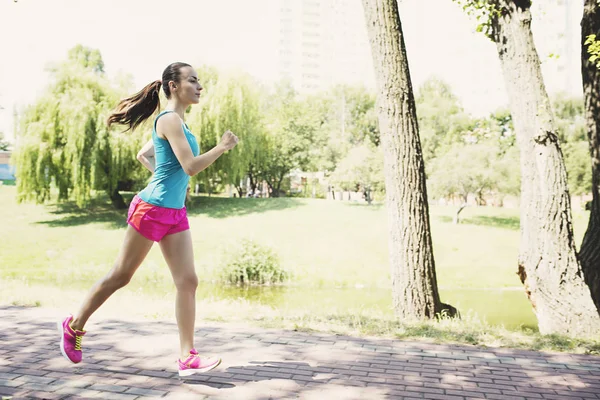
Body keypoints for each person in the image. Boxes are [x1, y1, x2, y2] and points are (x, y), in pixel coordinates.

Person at [57, 62, 239, 377]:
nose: (199, 86)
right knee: (121, 276)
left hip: (174, 213)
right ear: (173, 86)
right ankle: (74, 326)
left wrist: (166, 181)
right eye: (193, 80)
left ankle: (187, 357)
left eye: (199, 81)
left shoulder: (178, 123)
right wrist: (221, 147)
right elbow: (191, 166)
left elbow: (145, 154)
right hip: (152, 209)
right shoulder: (169, 120)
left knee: (188, 281)